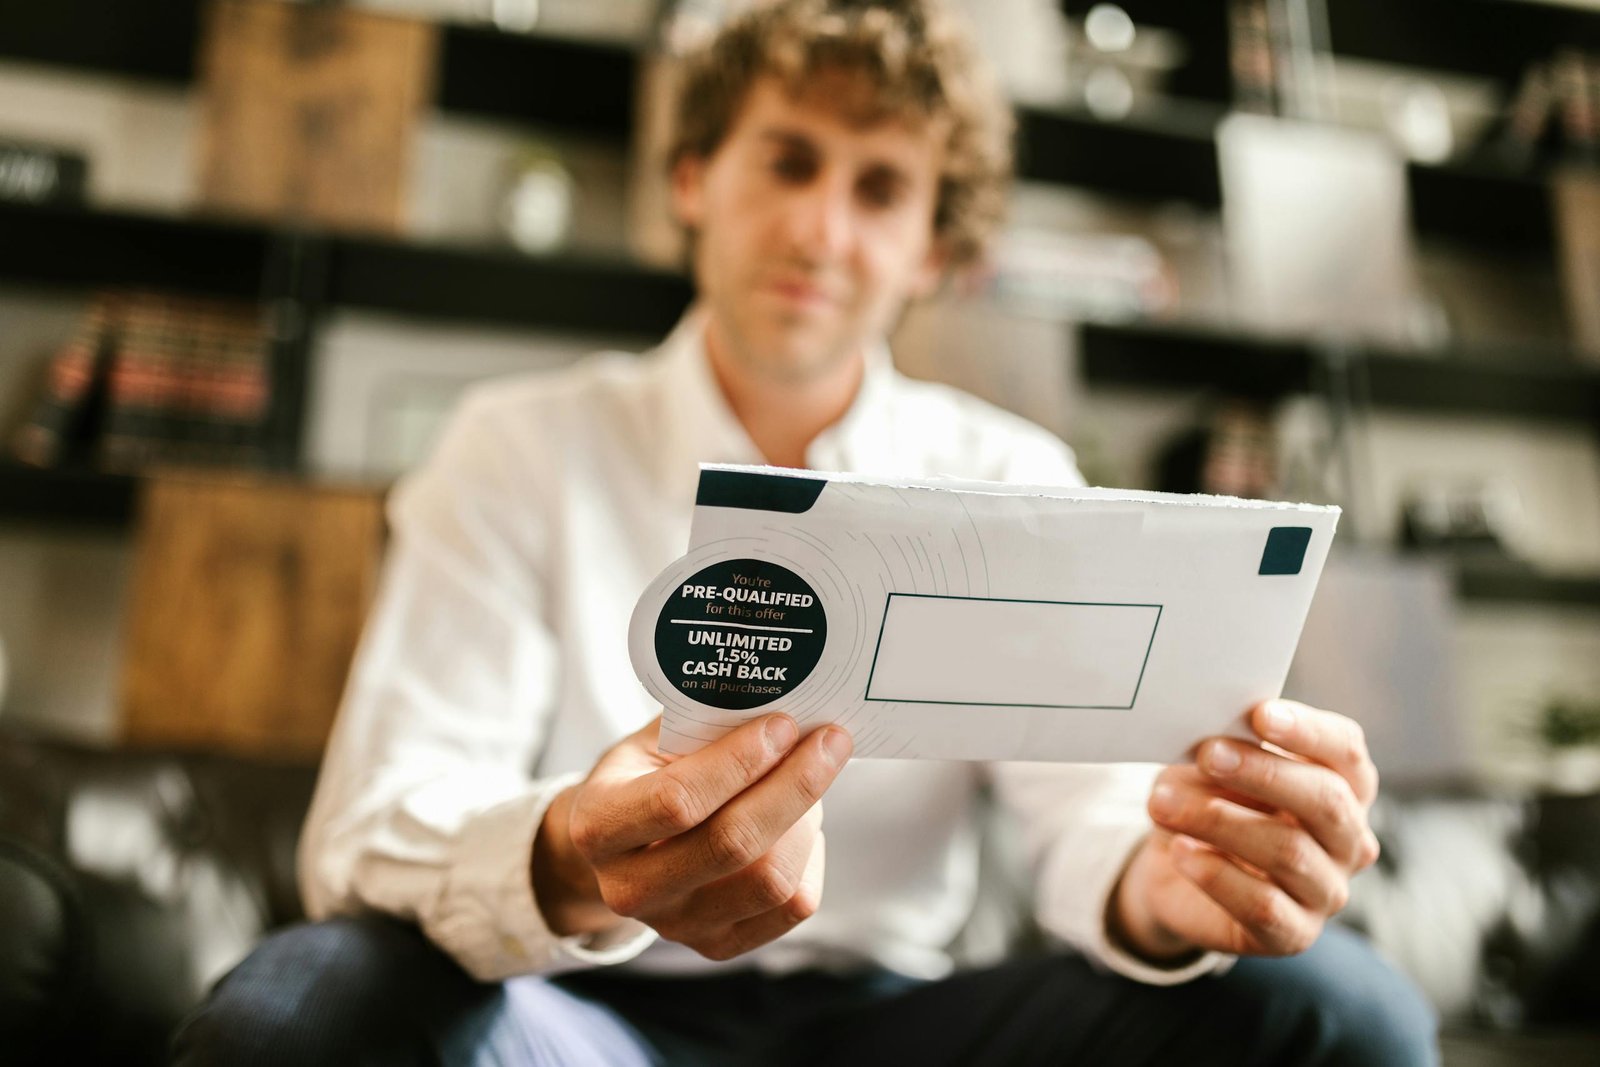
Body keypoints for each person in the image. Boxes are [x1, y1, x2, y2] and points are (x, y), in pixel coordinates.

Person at [173, 1, 1436, 1063]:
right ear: (692, 179)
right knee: (295, 1008)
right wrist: (570, 853)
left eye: (880, 189)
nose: (821, 230)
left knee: (1347, 1012)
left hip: (898, 1025)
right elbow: (372, 830)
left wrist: (1163, 897)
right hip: (567, 1011)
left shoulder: (1009, 473)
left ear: (931, 251)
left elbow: (1086, 824)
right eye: (787, 160)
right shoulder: (513, 446)